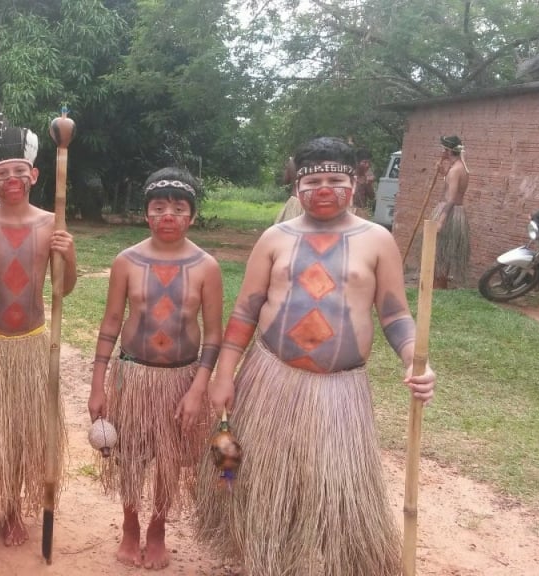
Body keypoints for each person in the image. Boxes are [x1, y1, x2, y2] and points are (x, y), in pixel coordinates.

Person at [196, 137, 436, 576]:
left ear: (356, 182)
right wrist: (225, 373)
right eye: (314, 181)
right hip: (271, 380)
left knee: (334, 493)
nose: (324, 189)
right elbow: (247, 309)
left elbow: (396, 313)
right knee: (261, 485)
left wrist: (413, 359)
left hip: (340, 390)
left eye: (336, 179)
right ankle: (262, 559)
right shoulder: (276, 238)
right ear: (297, 186)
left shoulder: (376, 240)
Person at [87, 167, 223, 569]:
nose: (168, 215)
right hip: (133, 375)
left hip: (180, 379)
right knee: (130, 454)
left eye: (179, 208)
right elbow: (111, 323)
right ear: (146, 214)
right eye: (159, 207)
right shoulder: (126, 261)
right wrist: (99, 386)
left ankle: (157, 529)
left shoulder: (206, 266)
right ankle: (130, 525)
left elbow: (213, 334)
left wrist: (198, 388)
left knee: (167, 459)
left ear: (192, 216)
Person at [0, 98, 77, 549]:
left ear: (35, 175)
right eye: (1, 173)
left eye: (19, 171)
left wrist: (68, 255)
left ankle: (12, 508)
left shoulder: (52, 223)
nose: (11, 179)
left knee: (23, 434)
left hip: (30, 342)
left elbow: (62, 290)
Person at [433, 135, 471, 289]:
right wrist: (441, 168)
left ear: (448, 150)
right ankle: (438, 283)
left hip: (449, 213)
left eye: (444, 149)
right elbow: (449, 182)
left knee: (442, 250)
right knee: (442, 250)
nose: (442, 151)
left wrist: (441, 220)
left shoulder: (456, 170)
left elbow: (451, 198)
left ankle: (439, 285)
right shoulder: (460, 167)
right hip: (456, 212)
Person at [273, 156, 302, 224]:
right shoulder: (318, 162)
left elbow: (285, 180)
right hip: (312, 202)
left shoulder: (292, 161)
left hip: (295, 200)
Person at [354, 148, 376, 217]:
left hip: (361, 212)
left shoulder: (366, 177)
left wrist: (369, 184)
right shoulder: (348, 175)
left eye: (369, 163)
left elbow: (371, 197)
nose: (367, 165)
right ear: (357, 162)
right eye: (364, 162)